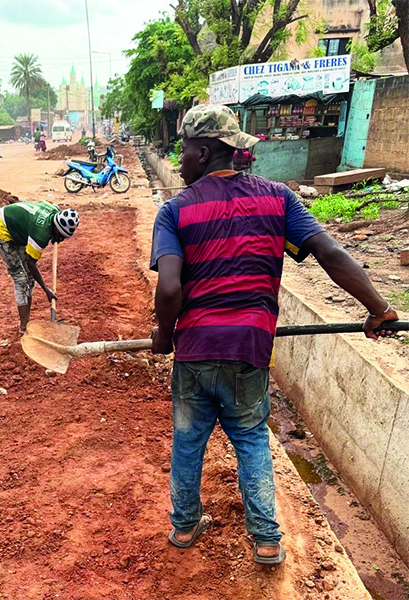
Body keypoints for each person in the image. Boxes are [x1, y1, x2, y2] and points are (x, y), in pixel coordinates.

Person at [150, 104, 398, 566]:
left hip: (196, 349)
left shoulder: (174, 211)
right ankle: (266, 540)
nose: (178, 159)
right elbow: (329, 253)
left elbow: (169, 287)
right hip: (250, 348)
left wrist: (165, 334)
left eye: (182, 150)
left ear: (204, 152)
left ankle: (184, 527)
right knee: (250, 439)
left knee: (188, 440)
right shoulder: (278, 199)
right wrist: (378, 309)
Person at [0, 202, 80, 333]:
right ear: (55, 227)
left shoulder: (55, 211)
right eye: (60, 236)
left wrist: (55, 236)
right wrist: (46, 290)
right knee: (21, 278)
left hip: (20, 230)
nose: (60, 241)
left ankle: (27, 321)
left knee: (30, 279)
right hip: (2, 228)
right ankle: (24, 327)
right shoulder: (40, 235)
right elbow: (31, 263)